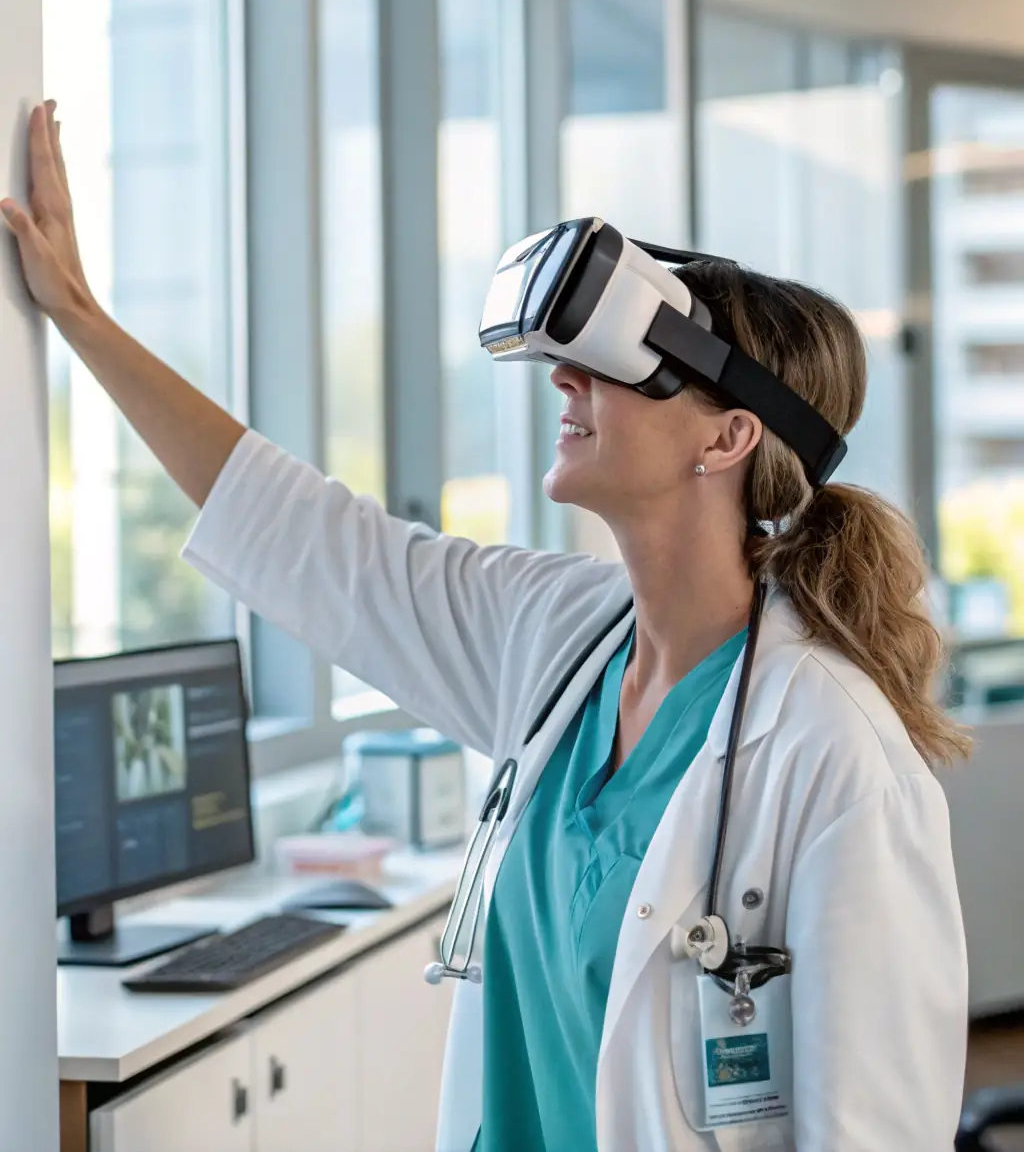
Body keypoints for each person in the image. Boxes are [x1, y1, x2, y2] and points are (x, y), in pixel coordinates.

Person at [3, 101, 969, 1151]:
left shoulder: (837, 756)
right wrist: (79, 316)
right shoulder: (559, 638)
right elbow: (310, 538)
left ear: (729, 437)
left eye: (615, 363)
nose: (565, 378)